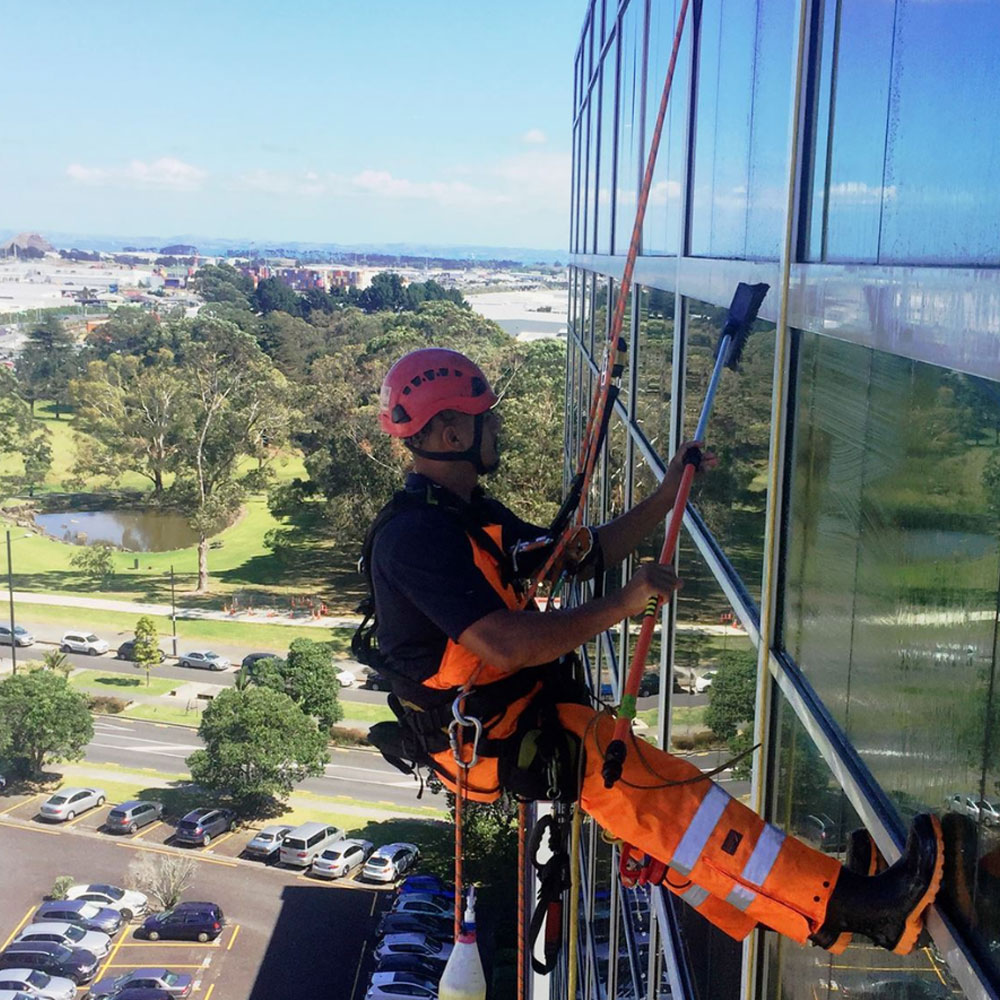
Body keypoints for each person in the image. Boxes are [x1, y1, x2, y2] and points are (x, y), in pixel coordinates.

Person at [367, 346, 944, 955]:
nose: (498, 427)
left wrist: (669, 495)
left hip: (513, 716)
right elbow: (504, 645)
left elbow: (581, 555)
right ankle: (865, 911)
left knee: (672, 824)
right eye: (488, 417)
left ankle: (827, 903)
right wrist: (625, 602)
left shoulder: (464, 514)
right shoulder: (415, 537)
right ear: (452, 432)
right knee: (675, 807)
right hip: (492, 735)